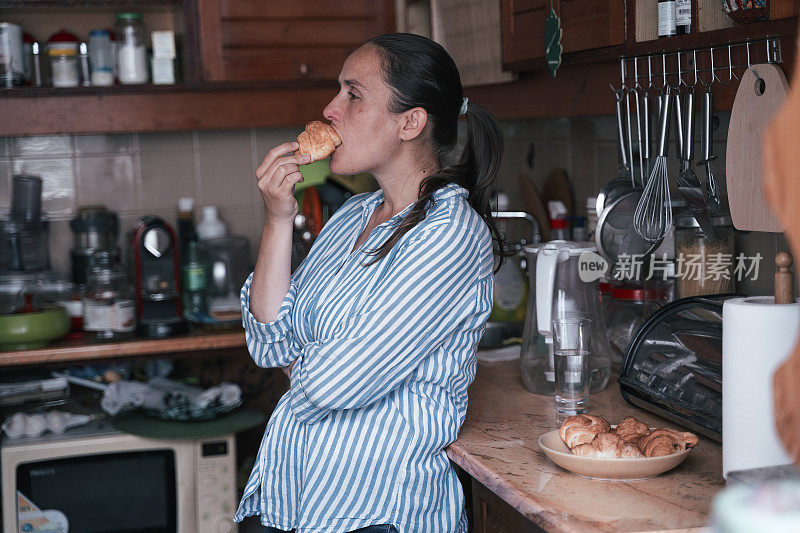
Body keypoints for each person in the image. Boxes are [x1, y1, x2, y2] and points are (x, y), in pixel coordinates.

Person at [234, 33, 504, 533]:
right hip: (292, 496)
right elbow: (268, 343)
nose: (330, 109)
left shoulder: (450, 233)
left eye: (353, 95)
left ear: (411, 122)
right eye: (338, 92)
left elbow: (335, 384)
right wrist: (277, 218)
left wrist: (307, 364)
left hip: (378, 513)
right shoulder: (351, 217)